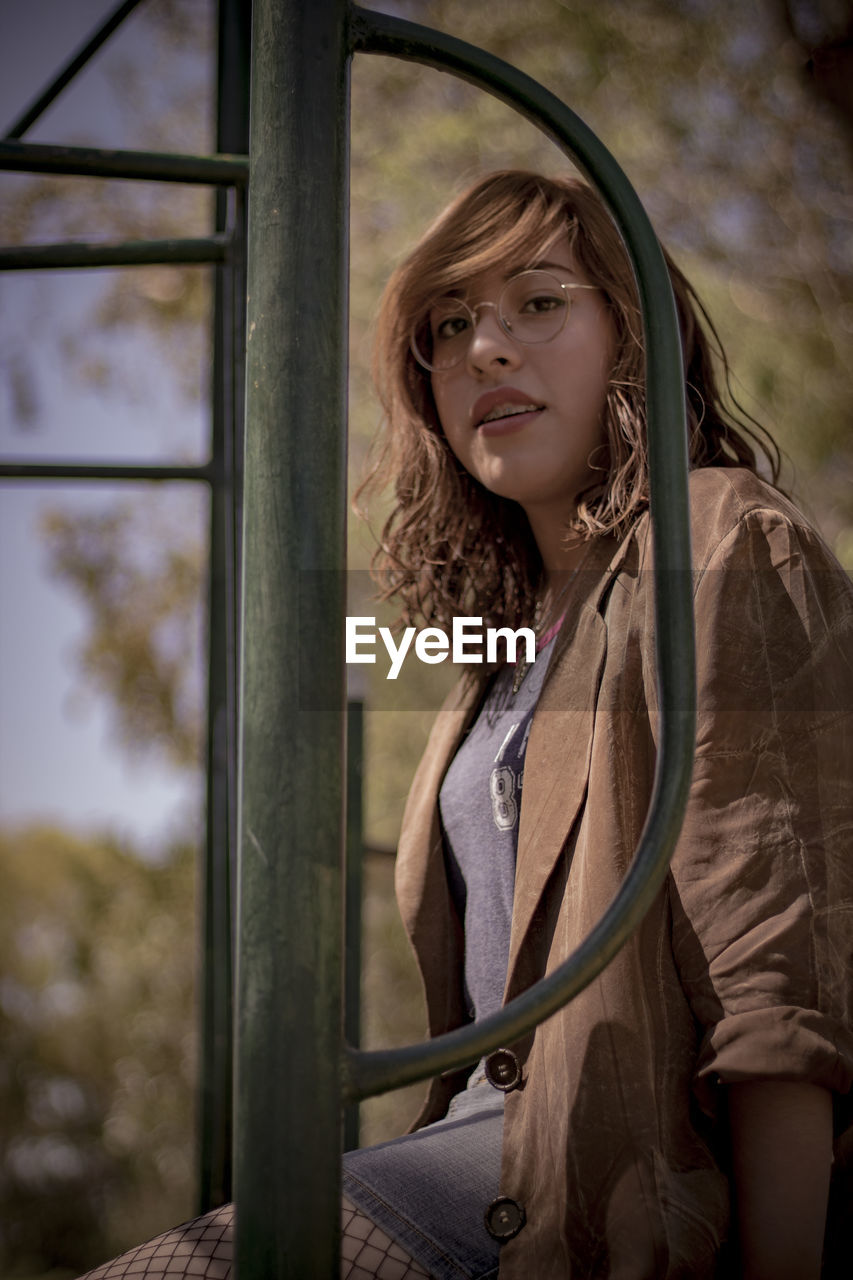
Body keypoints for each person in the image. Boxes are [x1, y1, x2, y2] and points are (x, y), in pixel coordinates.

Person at [78, 171, 852, 1279]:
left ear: (632, 335)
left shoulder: (722, 536)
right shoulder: (495, 643)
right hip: (472, 1150)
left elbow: (776, 972)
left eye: (540, 304)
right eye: (450, 325)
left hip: (627, 1175)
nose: (485, 349)